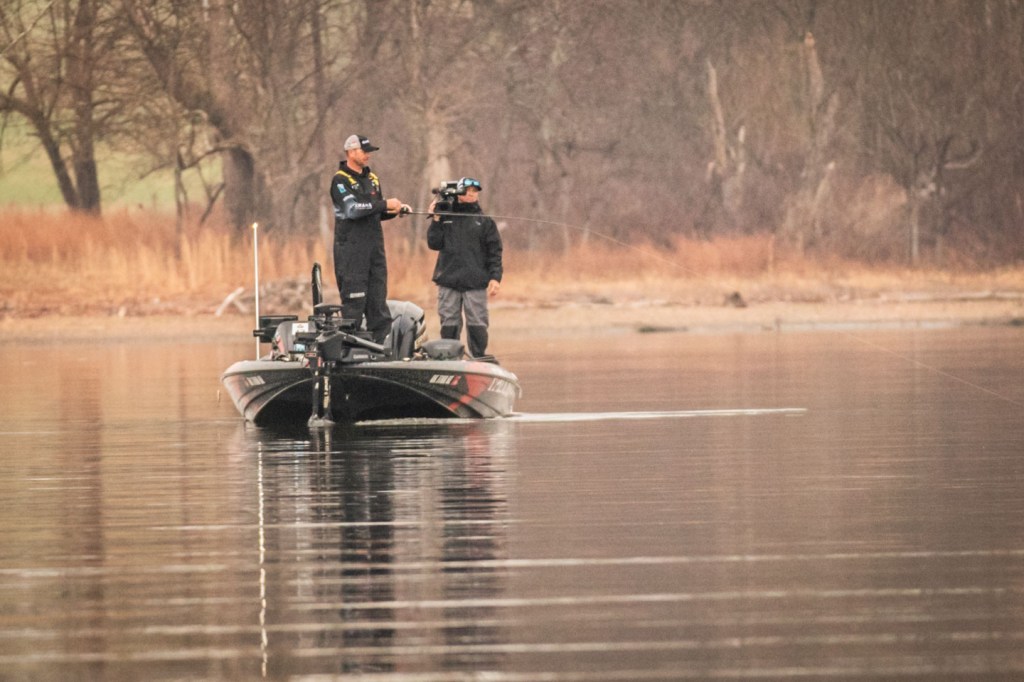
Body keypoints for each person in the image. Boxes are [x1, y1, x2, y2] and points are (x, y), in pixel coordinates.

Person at [330, 134, 408, 343]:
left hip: (375, 250)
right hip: (351, 252)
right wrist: (385, 204)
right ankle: (349, 349)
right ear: (350, 152)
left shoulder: (372, 178)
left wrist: (395, 211)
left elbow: (375, 212)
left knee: (378, 304)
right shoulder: (340, 180)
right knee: (354, 305)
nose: (368, 155)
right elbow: (353, 210)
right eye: (364, 151)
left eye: (369, 151)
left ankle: (381, 348)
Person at [426, 177, 503, 358]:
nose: (471, 194)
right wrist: (436, 219)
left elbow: (495, 252)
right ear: (458, 193)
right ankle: (450, 357)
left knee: (478, 323)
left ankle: (479, 356)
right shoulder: (445, 217)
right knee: (449, 322)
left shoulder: (485, 222)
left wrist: (495, 277)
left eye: (474, 191)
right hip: (448, 279)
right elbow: (434, 243)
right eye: (467, 191)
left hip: (476, 281)